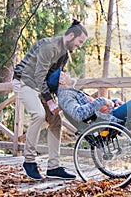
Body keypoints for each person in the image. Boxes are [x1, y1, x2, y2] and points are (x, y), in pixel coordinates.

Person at [12, 19, 88, 181]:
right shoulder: (49, 47)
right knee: (39, 115)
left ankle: (53, 167)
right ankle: (29, 161)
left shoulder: (64, 55)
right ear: (70, 35)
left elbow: (53, 80)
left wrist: (65, 97)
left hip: (39, 86)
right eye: (79, 41)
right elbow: (39, 75)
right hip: (24, 81)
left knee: (55, 121)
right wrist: (50, 101)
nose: (80, 46)